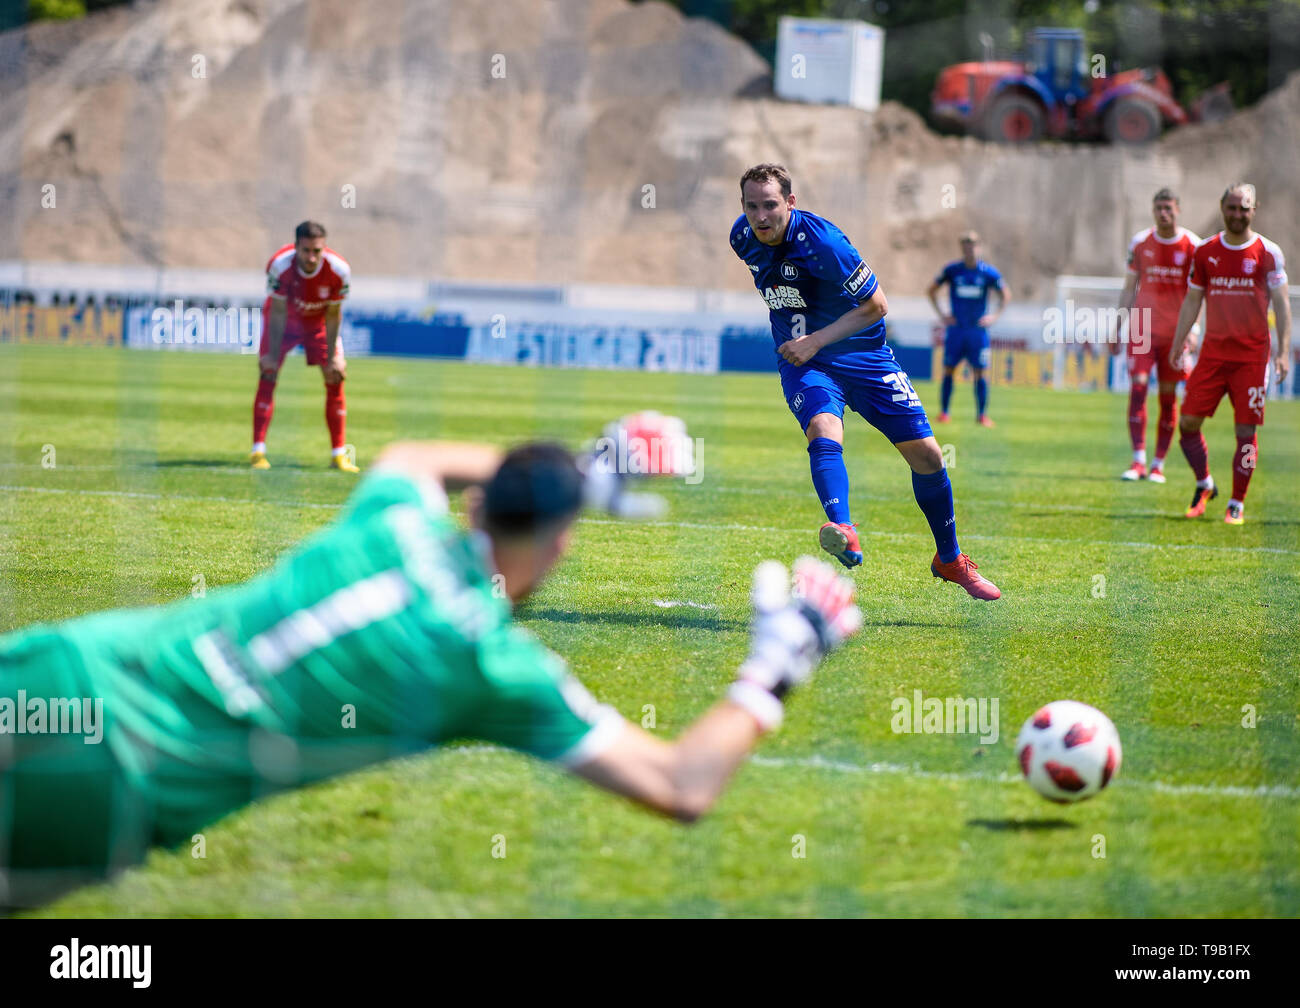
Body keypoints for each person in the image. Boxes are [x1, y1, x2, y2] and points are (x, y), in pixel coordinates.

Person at [0, 416, 860, 907]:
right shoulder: (483, 664)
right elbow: (680, 785)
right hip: (118, 781)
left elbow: (414, 458)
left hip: (64, 668)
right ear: (559, 550)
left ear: (481, 502)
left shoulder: (389, 520)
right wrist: (778, 663)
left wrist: (574, 475)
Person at [730, 163, 1000, 600]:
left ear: (791, 203)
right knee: (823, 427)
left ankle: (949, 560)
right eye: (751, 206)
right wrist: (806, 343)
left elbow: (878, 305)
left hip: (865, 356)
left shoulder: (824, 243)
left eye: (771, 205)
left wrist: (815, 338)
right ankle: (843, 526)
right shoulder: (741, 237)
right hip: (806, 360)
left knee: (929, 457)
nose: (760, 216)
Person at [1169, 183, 1291, 524]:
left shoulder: (1268, 253)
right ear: (1222, 207)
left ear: (1255, 210)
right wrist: (1180, 341)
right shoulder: (1205, 252)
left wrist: (1283, 352)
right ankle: (1205, 483)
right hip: (1212, 355)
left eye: (1245, 208)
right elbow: (1193, 299)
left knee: (1245, 433)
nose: (1238, 214)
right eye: (1233, 207)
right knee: (1188, 424)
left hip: (1252, 359)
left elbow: (1281, 304)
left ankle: (1236, 502)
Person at [252, 221, 358, 472]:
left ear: (324, 248)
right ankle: (258, 451)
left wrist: (333, 357)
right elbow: (276, 312)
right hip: (284, 323)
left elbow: (333, 315)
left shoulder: (339, 271)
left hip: (317, 324)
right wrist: (271, 354)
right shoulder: (280, 266)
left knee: (335, 377)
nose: (311, 257)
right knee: (268, 373)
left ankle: (338, 455)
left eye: (317, 251)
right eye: (306, 250)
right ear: (296, 247)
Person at [1111, 189, 1200, 482]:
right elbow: (1129, 288)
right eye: (1159, 208)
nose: (1164, 213)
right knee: (1137, 388)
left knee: (1167, 397)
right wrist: (1117, 327)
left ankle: (1158, 464)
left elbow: (1200, 294)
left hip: (1175, 333)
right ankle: (1137, 460)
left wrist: (1194, 329)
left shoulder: (1193, 246)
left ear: (1178, 210)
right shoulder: (1140, 242)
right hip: (1142, 328)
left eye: (1169, 208)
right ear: (1153, 211)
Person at [926, 231, 1010, 426]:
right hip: (956, 330)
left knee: (980, 372)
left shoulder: (988, 273)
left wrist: (994, 316)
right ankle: (944, 413)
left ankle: (982, 415)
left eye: (972, 244)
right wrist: (942, 314)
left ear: (978, 247)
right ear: (961, 248)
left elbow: (1005, 294)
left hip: (977, 332)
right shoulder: (953, 270)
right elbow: (931, 291)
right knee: (948, 370)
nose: (969, 248)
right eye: (965, 245)